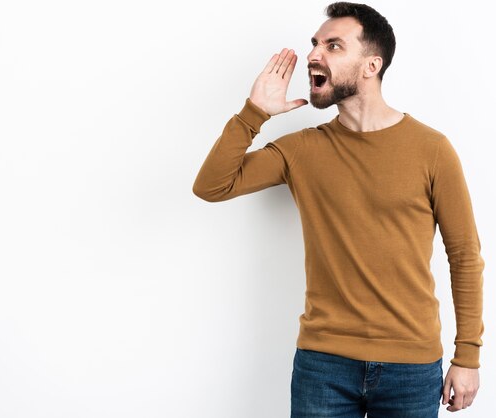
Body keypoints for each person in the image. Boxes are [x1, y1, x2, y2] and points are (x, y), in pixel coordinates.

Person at [192, 2, 484, 417]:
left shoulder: (432, 150)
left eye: (333, 46)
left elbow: (465, 257)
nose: (314, 54)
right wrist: (253, 112)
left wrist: (467, 356)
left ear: (371, 66)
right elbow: (211, 186)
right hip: (323, 363)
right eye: (314, 44)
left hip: (412, 365)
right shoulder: (302, 150)